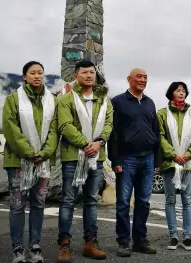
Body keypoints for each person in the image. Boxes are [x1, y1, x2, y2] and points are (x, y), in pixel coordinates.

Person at [2, 61, 59, 263]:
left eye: (40, 73)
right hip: (18, 161)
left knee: (38, 204)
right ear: (24, 76)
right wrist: (29, 152)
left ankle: (35, 246)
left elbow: (55, 129)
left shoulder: (52, 100)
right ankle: (17, 249)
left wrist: (44, 153)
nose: (37, 76)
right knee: (17, 205)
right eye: (33, 73)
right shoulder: (13, 99)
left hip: (42, 162)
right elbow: (10, 128)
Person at [56, 60, 114, 262]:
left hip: (97, 158)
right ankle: (64, 244)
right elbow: (64, 125)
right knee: (69, 201)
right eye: (85, 72)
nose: (89, 75)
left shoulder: (104, 99)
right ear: (76, 75)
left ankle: (90, 242)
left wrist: (99, 142)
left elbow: (108, 124)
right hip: (73, 157)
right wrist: (85, 144)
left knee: (91, 200)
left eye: (92, 72)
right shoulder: (66, 99)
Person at [108, 68, 160, 256]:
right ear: (129, 79)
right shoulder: (118, 102)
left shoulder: (150, 103)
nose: (143, 80)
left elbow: (156, 132)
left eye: (145, 77)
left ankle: (140, 240)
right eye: (139, 76)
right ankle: (123, 241)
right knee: (123, 202)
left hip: (147, 158)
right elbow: (113, 133)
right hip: (126, 159)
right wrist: (116, 159)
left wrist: (157, 158)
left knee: (144, 201)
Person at [157, 82, 191, 251]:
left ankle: (187, 236)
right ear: (171, 93)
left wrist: (189, 154)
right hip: (170, 163)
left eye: (183, 90)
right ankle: (173, 236)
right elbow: (160, 136)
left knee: (188, 199)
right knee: (170, 199)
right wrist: (172, 154)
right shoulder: (162, 113)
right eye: (178, 90)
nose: (181, 92)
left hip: (189, 163)